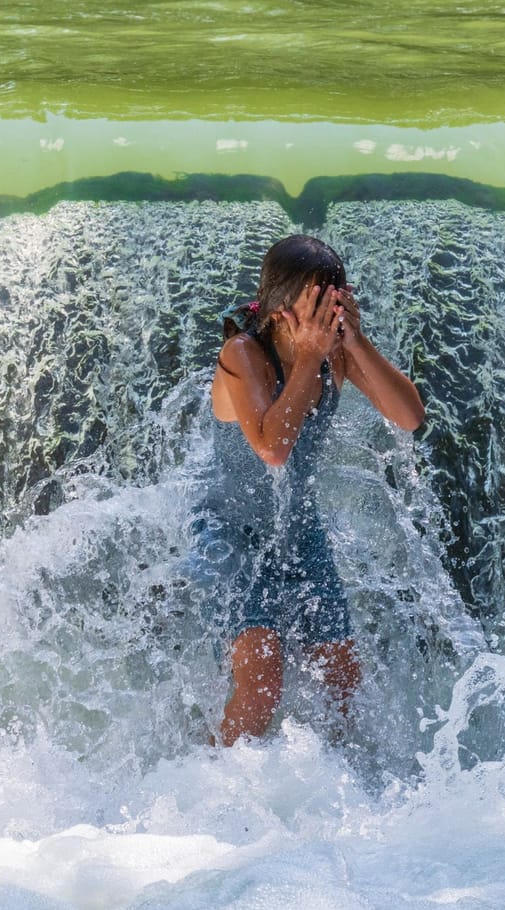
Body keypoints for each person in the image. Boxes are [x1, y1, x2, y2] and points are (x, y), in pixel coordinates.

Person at [207, 235, 425, 747]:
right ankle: (211, 777)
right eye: (317, 306)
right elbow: (273, 448)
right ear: (282, 309)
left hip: (297, 527)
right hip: (232, 527)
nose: (329, 316)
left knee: (341, 682)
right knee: (263, 680)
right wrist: (307, 359)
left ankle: (330, 797)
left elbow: (410, 418)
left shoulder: (335, 354)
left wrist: (355, 343)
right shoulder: (242, 354)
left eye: (335, 302)